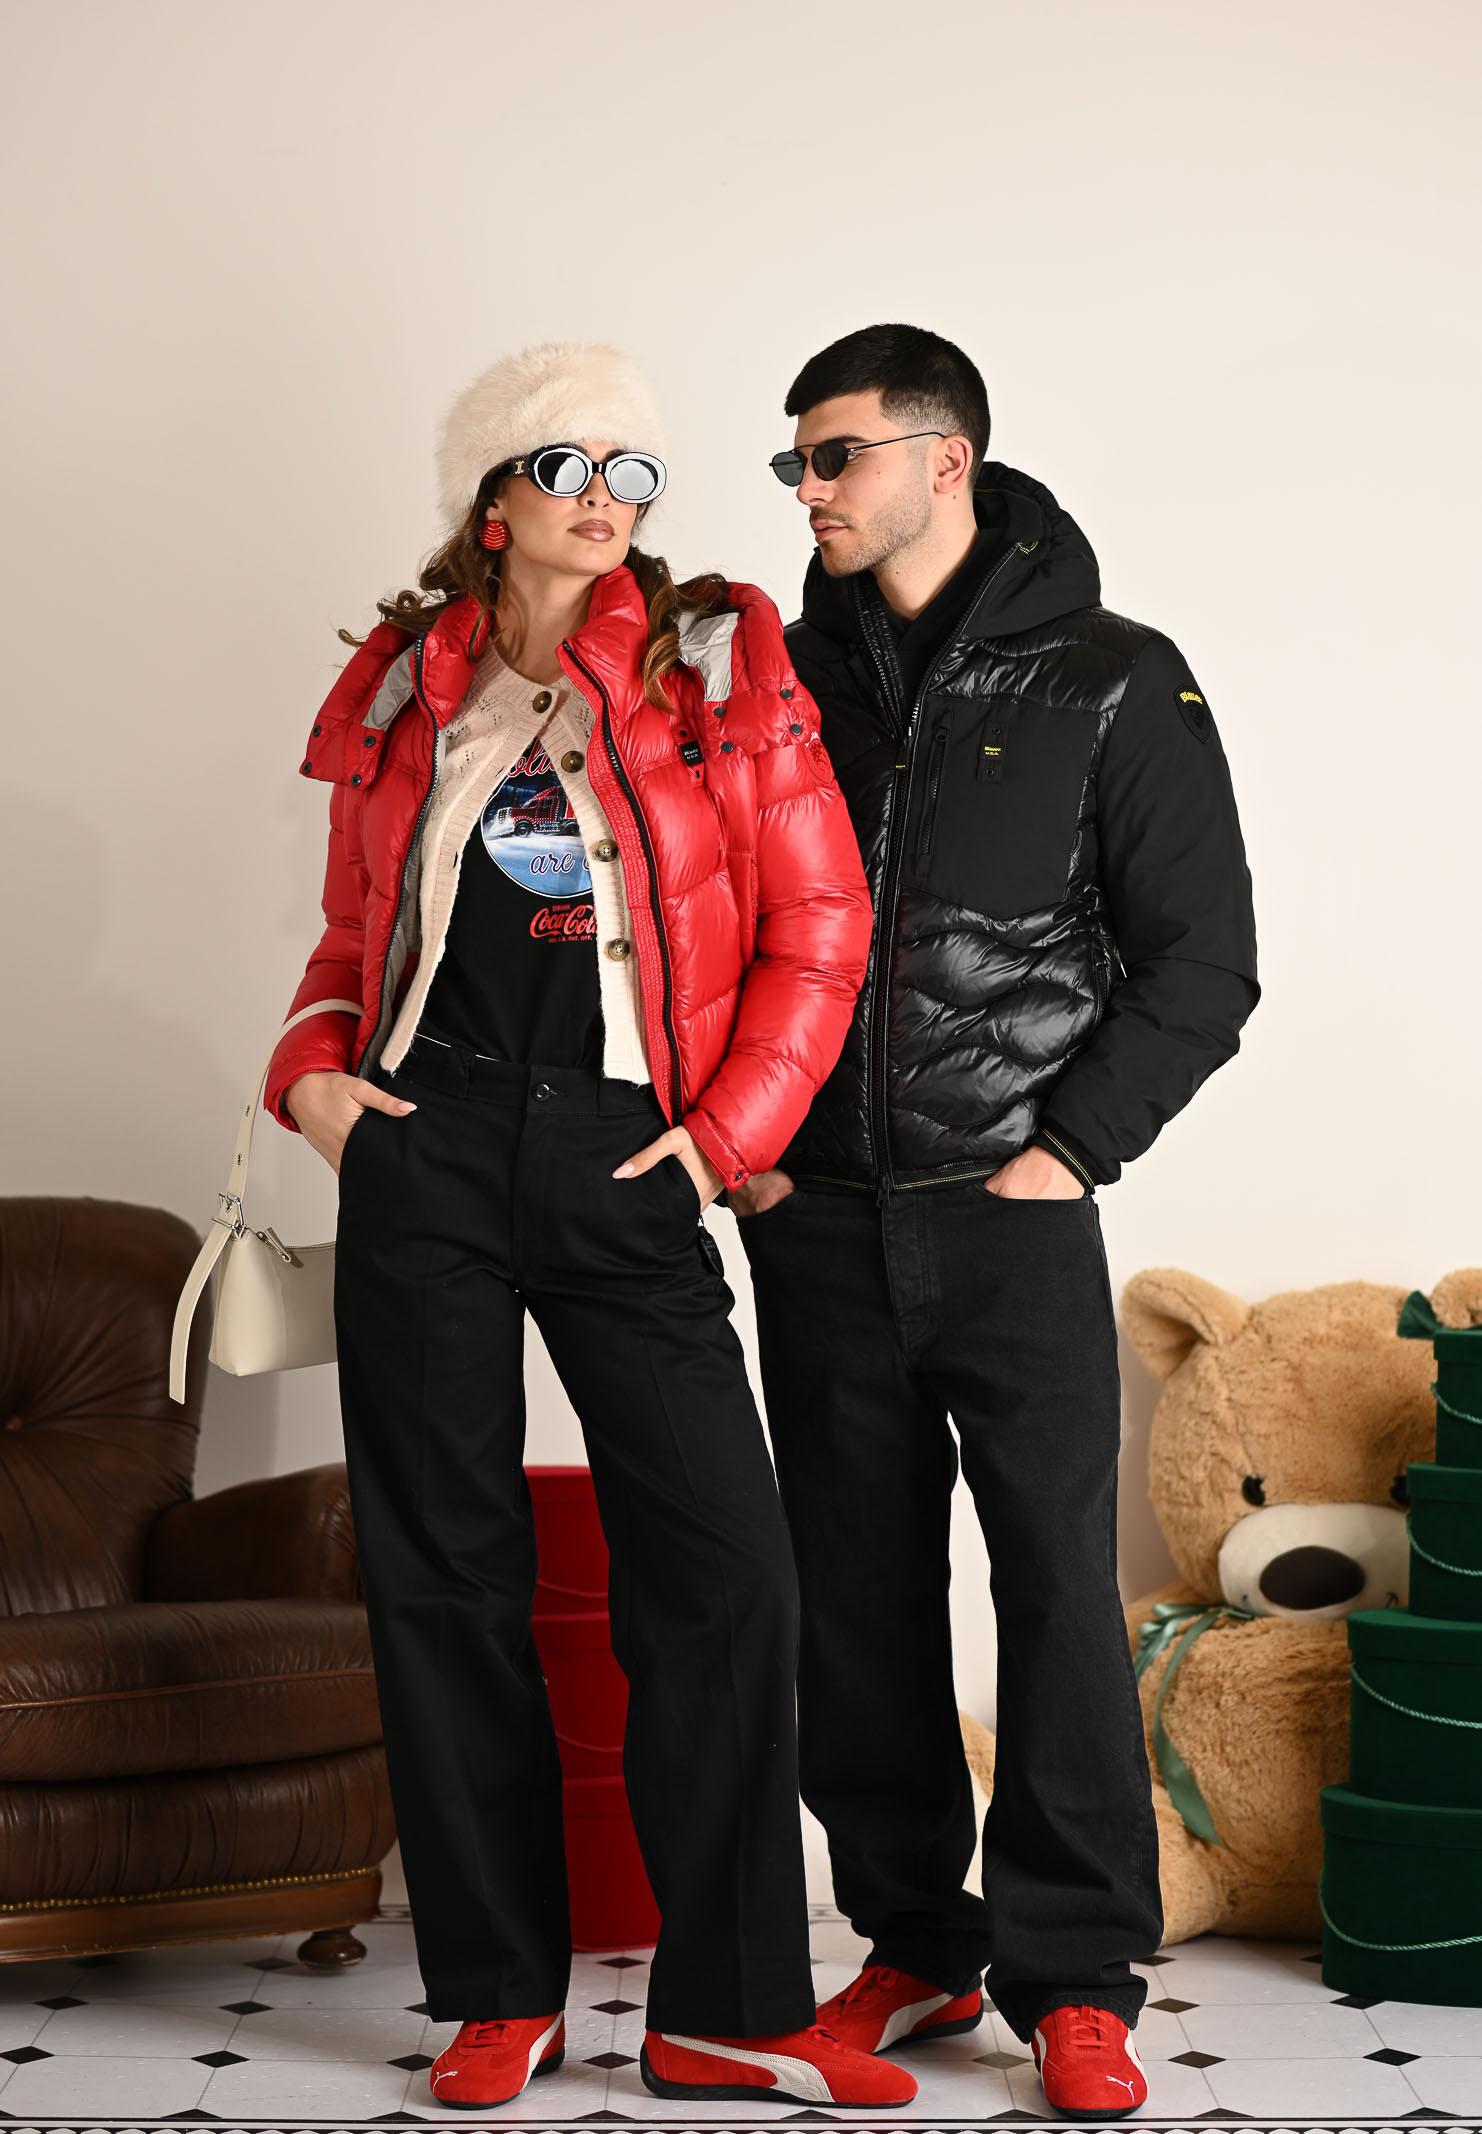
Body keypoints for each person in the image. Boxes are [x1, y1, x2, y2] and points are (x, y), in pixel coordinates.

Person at [260, 340, 916, 2114]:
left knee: (724, 1567)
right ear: (490, 501)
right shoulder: (411, 684)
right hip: (430, 1142)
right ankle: (495, 1989)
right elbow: (353, 939)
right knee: (443, 1569)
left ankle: (725, 2006)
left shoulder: (718, 659)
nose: (607, 497)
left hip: (632, 1154)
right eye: (567, 463)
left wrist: (722, 1143)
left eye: (634, 469)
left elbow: (820, 925)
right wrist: (311, 1077)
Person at [729, 322, 1260, 2121]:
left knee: (1051, 1590)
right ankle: (912, 1942)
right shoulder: (775, 681)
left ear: (941, 458)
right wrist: (752, 1149)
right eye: (796, 460)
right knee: (854, 1600)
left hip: (1010, 1219)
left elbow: (1203, 959)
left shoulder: (1115, 677)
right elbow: (708, 921)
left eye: (835, 455)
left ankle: (1076, 1977)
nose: (807, 489)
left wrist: (1071, 1150)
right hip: (813, 1219)